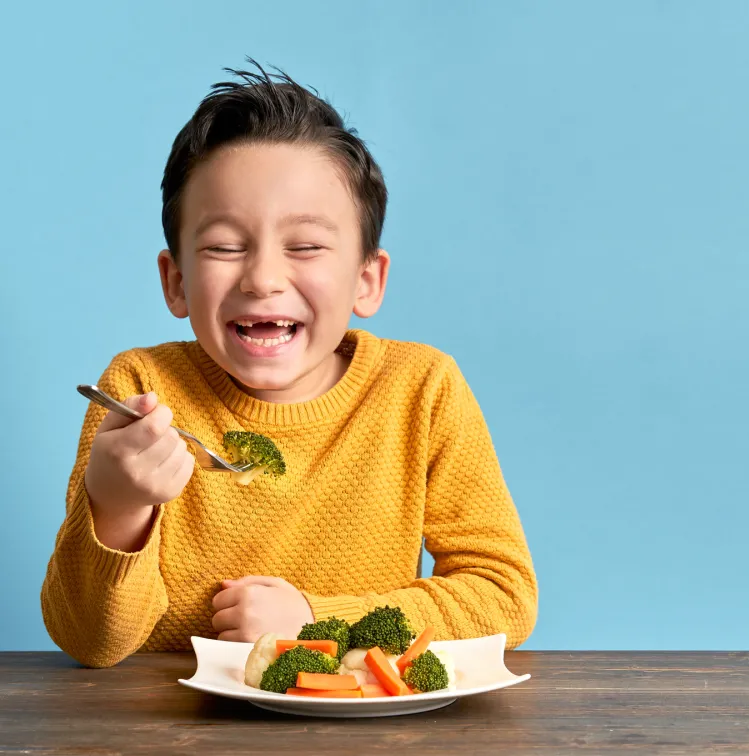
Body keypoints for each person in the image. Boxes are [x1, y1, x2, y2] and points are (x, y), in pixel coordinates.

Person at [41, 59, 538, 668]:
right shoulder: (141, 390)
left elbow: (503, 596)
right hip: (171, 741)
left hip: (362, 739)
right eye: (224, 247)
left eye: (304, 246)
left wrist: (315, 620)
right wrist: (116, 506)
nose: (264, 279)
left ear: (366, 280)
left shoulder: (421, 389)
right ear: (176, 283)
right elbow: (91, 643)